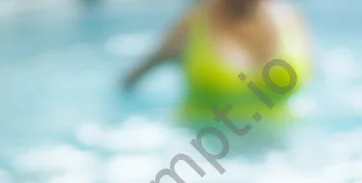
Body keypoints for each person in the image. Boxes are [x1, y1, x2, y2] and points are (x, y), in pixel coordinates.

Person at [122, 0, 311, 120]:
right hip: (203, 154)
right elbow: (130, 81)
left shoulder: (291, 18)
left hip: (282, 156)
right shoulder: (193, 24)